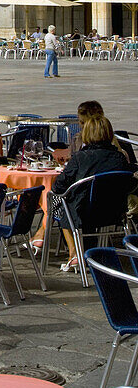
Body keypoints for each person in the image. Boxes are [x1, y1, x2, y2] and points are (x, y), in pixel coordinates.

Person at [49, 113, 131, 272]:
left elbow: (58, 186)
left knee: (57, 201)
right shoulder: (119, 157)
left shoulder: (81, 157)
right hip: (114, 212)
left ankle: (74, 253)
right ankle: (86, 253)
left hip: (83, 212)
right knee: (71, 202)